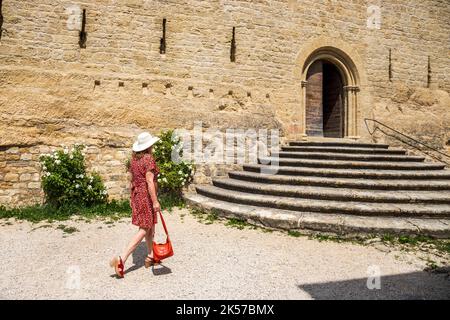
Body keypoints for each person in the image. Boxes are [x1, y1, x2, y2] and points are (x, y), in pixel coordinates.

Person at [110, 132, 161, 278]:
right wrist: (155, 200)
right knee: (145, 228)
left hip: (137, 195)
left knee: (149, 227)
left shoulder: (134, 160)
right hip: (146, 196)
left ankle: (151, 256)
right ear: (149, 146)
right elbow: (150, 181)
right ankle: (122, 258)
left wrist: (132, 197)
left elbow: (132, 179)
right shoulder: (148, 158)